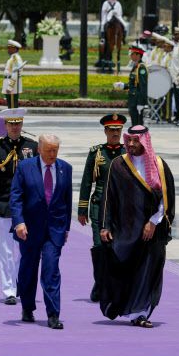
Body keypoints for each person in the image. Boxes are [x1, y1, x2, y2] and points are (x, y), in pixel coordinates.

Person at [98, 125, 175, 328]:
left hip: (151, 231)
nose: (131, 144)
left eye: (135, 141)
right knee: (126, 270)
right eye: (129, 140)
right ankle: (128, 309)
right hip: (126, 230)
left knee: (148, 271)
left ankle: (141, 313)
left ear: (144, 142)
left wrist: (153, 222)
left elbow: (166, 198)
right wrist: (105, 226)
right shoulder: (118, 165)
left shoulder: (159, 165)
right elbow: (109, 197)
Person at [10, 134, 73, 330]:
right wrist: (19, 222)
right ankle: (27, 307)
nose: (52, 154)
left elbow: (67, 201)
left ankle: (53, 314)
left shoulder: (65, 168)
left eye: (55, 150)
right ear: (39, 149)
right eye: (48, 150)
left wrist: (66, 228)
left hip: (54, 230)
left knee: (51, 270)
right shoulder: (25, 167)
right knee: (28, 270)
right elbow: (16, 197)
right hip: (29, 229)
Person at [0, 108, 38, 305]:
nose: (15, 127)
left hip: (27, 206)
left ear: (22, 124)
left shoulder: (32, 147)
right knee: (6, 250)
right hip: (4, 204)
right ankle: (9, 291)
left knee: (25, 249)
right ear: (5, 125)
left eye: (18, 123)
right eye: (11, 124)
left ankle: (18, 281)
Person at [78, 114, 126, 302]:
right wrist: (82, 209)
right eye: (112, 130)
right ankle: (99, 284)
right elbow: (86, 181)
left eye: (118, 130)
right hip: (99, 205)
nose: (115, 133)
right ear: (105, 131)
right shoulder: (96, 153)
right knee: (99, 246)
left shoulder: (127, 153)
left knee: (116, 247)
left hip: (120, 207)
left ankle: (114, 285)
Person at [124, 46, 148, 126]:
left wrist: (141, 102)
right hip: (133, 98)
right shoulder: (135, 66)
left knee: (138, 122)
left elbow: (143, 86)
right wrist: (123, 86)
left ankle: (139, 134)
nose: (131, 56)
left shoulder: (141, 67)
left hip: (138, 99)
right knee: (134, 121)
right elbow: (133, 84)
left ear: (138, 55)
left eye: (132, 54)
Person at [2, 40, 24, 109]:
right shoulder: (12, 58)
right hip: (9, 82)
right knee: (11, 106)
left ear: (14, 49)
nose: (8, 50)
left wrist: (10, 86)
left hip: (12, 85)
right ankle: (12, 116)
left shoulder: (15, 58)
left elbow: (16, 73)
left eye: (10, 48)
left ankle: (13, 116)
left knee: (12, 107)